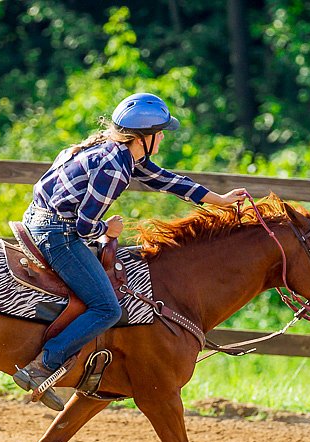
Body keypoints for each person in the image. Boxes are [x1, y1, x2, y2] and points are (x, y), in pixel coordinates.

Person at [13, 92, 247, 411]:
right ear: (144, 138)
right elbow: (84, 226)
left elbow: (167, 180)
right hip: (57, 232)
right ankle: (44, 365)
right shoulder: (115, 167)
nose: (163, 136)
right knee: (107, 308)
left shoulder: (117, 153)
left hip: (42, 219)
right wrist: (107, 231)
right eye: (160, 132)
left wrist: (217, 200)